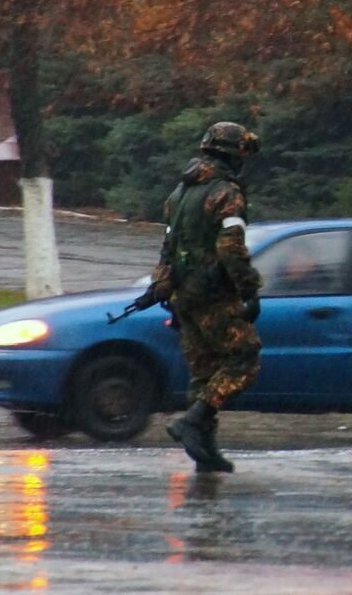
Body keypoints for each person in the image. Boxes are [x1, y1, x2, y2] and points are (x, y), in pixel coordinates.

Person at [137, 121, 263, 473]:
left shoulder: (179, 194)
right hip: (213, 295)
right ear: (233, 153)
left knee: (204, 373)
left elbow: (168, 248)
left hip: (183, 296)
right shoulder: (226, 192)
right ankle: (194, 422)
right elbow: (231, 247)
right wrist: (249, 288)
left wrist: (162, 287)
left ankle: (204, 451)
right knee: (245, 358)